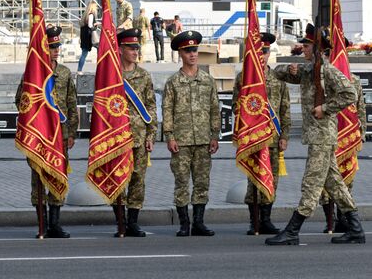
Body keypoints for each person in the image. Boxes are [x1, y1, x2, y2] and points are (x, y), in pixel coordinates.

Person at [265, 24, 365, 245]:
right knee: (335, 184)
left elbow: (349, 92)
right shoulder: (309, 70)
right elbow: (279, 74)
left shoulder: (327, 71)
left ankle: (293, 229)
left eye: (307, 45)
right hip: (317, 136)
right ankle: (356, 229)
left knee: (311, 183)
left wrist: (326, 108)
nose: (303, 48)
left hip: (322, 136)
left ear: (318, 48)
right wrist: (289, 69)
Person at [16, 25, 79, 238]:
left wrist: (72, 132)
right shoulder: (32, 74)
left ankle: (55, 224)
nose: (56, 50)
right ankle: (41, 225)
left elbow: (72, 103)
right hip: (38, 136)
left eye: (57, 46)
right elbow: (21, 101)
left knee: (58, 175)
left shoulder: (64, 72)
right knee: (38, 180)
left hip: (60, 136)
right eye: (52, 47)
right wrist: (34, 120)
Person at [162, 30, 220, 237]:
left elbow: (215, 108)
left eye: (194, 50)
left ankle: (199, 223)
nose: (192, 54)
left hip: (204, 140)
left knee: (202, 182)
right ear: (180, 53)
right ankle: (184, 223)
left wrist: (215, 135)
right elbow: (167, 110)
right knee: (182, 182)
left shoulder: (207, 80)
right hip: (182, 141)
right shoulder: (173, 82)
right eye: (188, 51)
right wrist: (169, 136)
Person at [232, 32, 291, 235]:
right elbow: (235, 105)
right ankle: (253, 220)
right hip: (254, 137)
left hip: (273, 137)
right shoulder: (244, 77)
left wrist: (285, 136)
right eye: (259, 51)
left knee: (272, 178)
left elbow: (285, 108)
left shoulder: (277, 77)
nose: (262, 55)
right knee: (253, 178)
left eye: (265, 51)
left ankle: (266, 219)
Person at [319, 40, 366, 233]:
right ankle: (329, 220)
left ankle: (343, 220)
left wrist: (360, 133)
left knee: (346, 179)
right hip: (327, 133)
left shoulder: (353, 80)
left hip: (347, 136)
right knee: (325, 180)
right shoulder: (320, 79)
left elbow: (359, 108)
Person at [113, 28, 157, 237]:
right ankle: (120, 221)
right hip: (116, 137)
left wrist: (151, 135)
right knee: (117, 178)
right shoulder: (110, 75)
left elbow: (150, 106)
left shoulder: (143, 75)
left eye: (137, 48)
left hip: (139, 137)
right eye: (131, 48)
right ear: (120, 49)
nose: (135, 51)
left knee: (138, 179)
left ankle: (133, 222)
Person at [77, 1, 99, 75]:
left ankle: (79, 70)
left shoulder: (85, 15)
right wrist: (95, 25)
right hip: (89, 36)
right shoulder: (91, 15)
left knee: (84, 53)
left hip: (84, 35)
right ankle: (101, 67)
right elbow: (90, 25)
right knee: (100, 49)